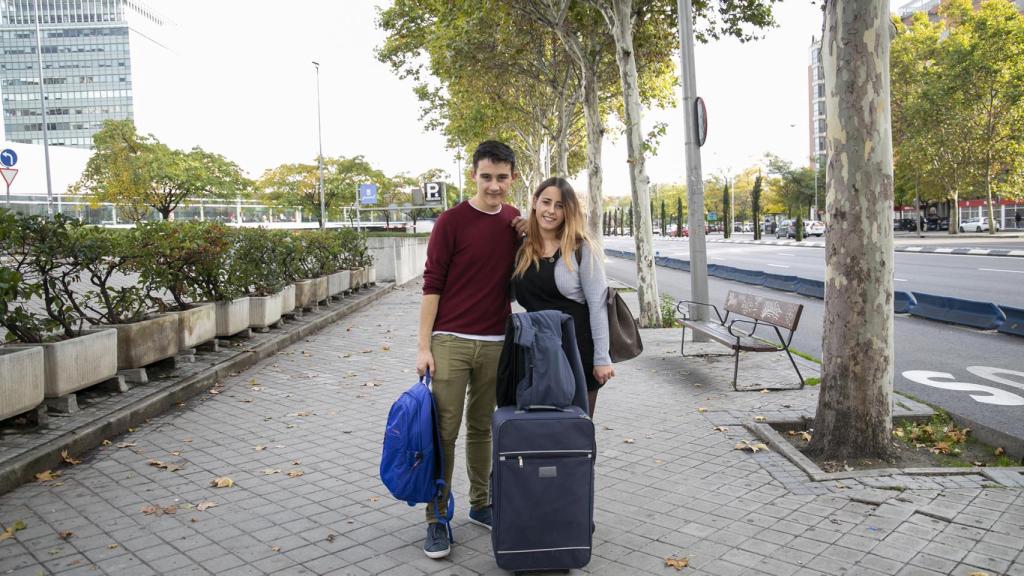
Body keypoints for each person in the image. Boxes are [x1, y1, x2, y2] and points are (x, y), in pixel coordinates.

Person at [416, 140, 520, 559]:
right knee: (443, 431)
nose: (493, 186)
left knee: (483, 429)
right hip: (451, 342)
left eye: (501, 177)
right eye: (486, 177)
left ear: (512, 178)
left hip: (497, 342)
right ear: (473, 176)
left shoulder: (515, 221)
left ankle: (481, 503)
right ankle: (437, 517)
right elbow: (431, 285)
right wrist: (423, 346)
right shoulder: (451, 222)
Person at [511, 177, 613, 418]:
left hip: (577, 352)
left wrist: (602, 358)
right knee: (538, 431)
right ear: (535, 202)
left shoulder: (581, 248)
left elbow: (598, 306)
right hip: (533, 352)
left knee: (575, 434)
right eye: (546, 202)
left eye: (560, 206)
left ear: (568, 211)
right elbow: (509, 294)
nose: (551, 211)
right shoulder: (523, 249)